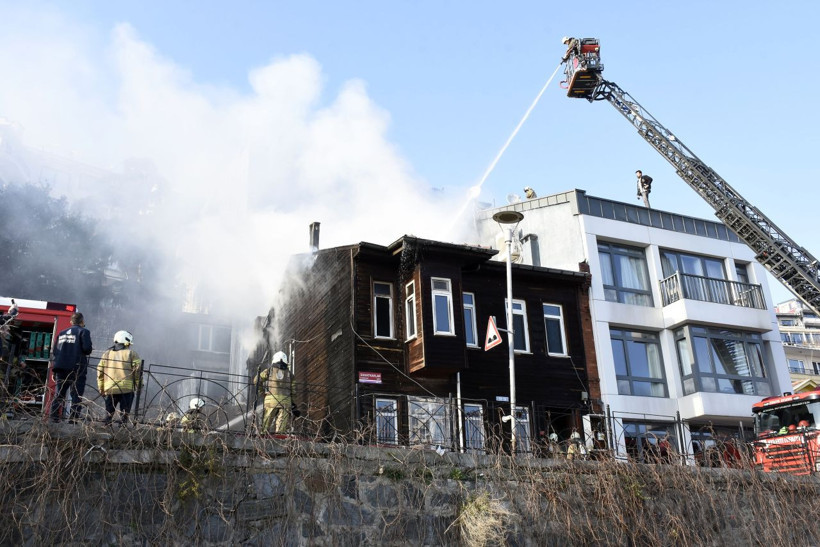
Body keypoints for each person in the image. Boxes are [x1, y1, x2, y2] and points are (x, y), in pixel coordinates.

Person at [50, 312, 92, 423]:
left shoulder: (61, 333)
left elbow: (55, 352)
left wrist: (54, 371)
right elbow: (87, 349)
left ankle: (54, 418)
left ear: (71, 322)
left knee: (59, 394)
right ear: (82, 321)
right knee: (76, 395)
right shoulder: (84, 331)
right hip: (77, 368)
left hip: (61, 368)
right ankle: (73, 420)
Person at [97, 330, 141, 425]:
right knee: (124, 415)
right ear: (126, 342)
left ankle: (105, 428)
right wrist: (139, 384)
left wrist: (101, 387)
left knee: (108, 414)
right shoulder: (132, 354)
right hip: (126, 389)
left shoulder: (106, 354)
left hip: (110, 388)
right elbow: (137, 371)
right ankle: (123, 429)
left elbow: (100, 371)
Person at [258, 350, 294, 434]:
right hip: (285, 402)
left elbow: (256, 380)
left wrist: (262, 392)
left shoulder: (269, 371)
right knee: (281, 430)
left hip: (271, 401)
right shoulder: (290, 374)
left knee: (265, 427)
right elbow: (294, 390)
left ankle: (263, 438)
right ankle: (279, 438)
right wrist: (294, 405)